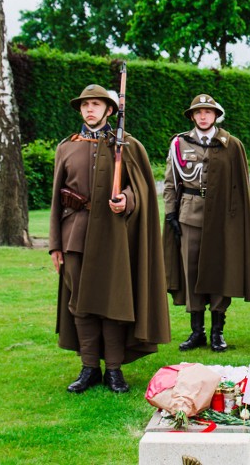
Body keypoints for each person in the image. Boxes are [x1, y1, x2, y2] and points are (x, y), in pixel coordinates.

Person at [49, 84, 170, 394]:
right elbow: (55, 200)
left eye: (96, 104)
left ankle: (114, 370)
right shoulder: (66, 147)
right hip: (75, 234)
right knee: (81, 304)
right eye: (85, 104)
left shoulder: (127, 145)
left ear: (109, 110)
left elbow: (141, 189)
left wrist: (126, 199)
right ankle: (89, 368)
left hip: (115, 237)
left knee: (113, 301)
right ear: (80, 109)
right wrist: (55, 245)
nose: (90, 109)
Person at [163, 94, 250, 352]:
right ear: (192, 116)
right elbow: (171, 183)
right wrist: (171, 213)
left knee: (219, 270)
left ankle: (218, 331)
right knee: (191, 270)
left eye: (208, 112)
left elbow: (241, 187)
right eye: (198, 112)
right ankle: (197, 332)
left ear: (216, 115)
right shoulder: (180, 144)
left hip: (222, 219)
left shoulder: (231, 145)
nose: (203, 116)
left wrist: (236, 221)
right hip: (189, 214)